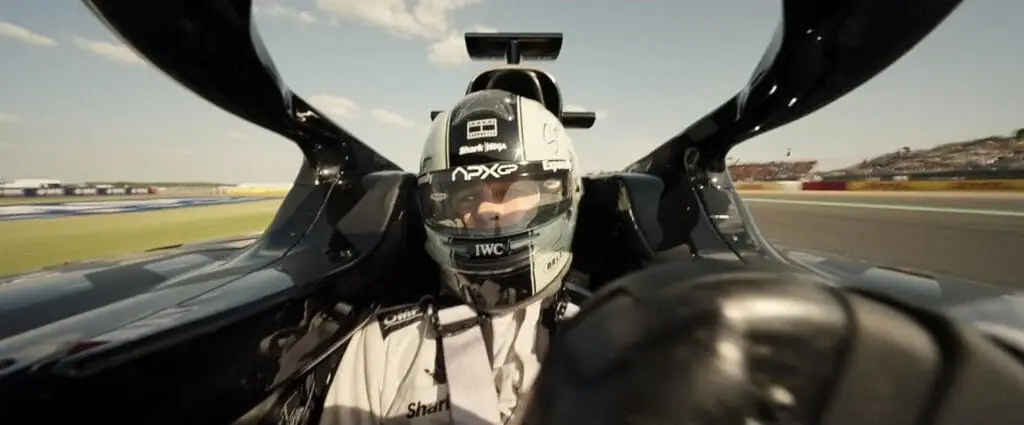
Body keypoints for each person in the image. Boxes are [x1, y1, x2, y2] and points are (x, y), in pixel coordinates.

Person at [319, 89, 588, 425]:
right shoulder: (382, 346)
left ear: (561, 194)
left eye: (514, 189)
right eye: (467, 195)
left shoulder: (612, 337)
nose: (487, 208)